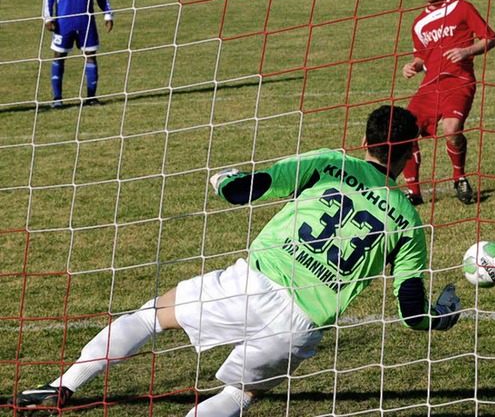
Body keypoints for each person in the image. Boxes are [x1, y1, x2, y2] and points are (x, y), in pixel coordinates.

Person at [10, 105, 462, 417]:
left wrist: (224, 178)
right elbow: (411, 313)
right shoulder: (407, 220)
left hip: (252, 283)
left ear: (364, 140)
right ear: (409, 155)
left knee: (147, 318)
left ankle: (61, 387)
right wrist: (445, 314)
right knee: (239, 394)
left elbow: (243, 190)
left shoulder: (329, 163)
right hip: (302, 323)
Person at [401, 0, 495, 206]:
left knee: (451, 129)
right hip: (430, 86)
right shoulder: (418, 23)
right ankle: (414, 192)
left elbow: (490, 39)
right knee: (404, 131)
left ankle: (459, 178)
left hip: (459, 81)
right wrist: (413, 65)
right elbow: (421, 56)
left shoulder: (461, 8)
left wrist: (466, 51)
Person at [44, 0, 113, 108]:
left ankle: (91, 98)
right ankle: (57, 99)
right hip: (64, 22)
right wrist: (48, 17)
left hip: (86, 21)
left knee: (91, 55)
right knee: (59, 55)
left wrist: (108, 14)